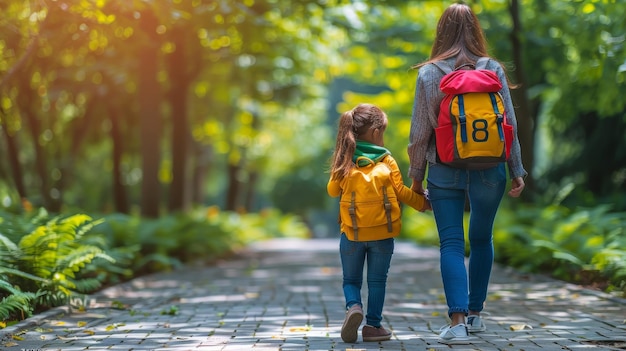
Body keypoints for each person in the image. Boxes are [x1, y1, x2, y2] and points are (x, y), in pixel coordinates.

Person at [407, 3, 527, 345]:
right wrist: (516, 169)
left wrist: (416, 178)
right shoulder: (493, 69)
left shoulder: (430, 73)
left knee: (451, 243)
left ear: (440, 32)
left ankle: (456, 322)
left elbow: (419, 133)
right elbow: (509, 126)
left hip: (444, 168)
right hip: (491, 168)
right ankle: (476, 316)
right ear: (476, 30)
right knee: (482, 239)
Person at [327, 103, 430, 343]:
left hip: (351, 234)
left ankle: (354, 307)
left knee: (351, 280)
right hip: (383, 234)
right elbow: (401, 192)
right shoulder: (386, 159)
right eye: (382, 131)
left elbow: (332, 191)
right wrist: (424, 204)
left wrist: (339, 169)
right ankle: (373, 326)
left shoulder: (346, 159)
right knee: (377, 281)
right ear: (375, 132)